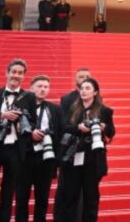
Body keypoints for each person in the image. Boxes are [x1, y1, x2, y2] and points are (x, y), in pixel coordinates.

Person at [0, 59, 37, 222]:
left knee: (8, 194)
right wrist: (1, 116)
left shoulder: (29, 97)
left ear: (24, 76)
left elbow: (33, 122)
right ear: (7, 73)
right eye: (13, 72)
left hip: (15, 150)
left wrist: (21, 126)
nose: (16, 75)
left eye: (20, 73)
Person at [54, 78, 116, 222]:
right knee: (70, 196)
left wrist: (103, 127)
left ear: (95, 92)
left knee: (91, 198)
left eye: (88, 88)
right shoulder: (71, 108)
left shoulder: (105, 111)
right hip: (73, 157)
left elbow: (111, 132)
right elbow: (63, 127)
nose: (83, 91)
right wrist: (78, 128)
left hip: (93, 158)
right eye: (82, 88)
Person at [16, 75, 64, 222]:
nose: (43, 89)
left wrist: (55, 162)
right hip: (24, 158)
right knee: (21, 199)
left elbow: (61, 135)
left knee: (42, 200)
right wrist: (29, 133)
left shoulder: (55, 109)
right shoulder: (20, 106)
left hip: (46, 159)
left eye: (46, 87)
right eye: (39, 86)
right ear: (31, 88)